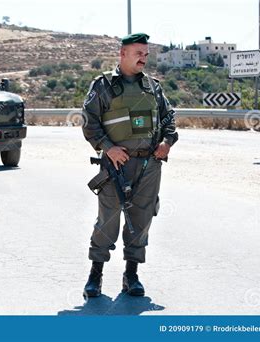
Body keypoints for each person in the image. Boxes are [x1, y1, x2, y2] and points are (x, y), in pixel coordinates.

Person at [82, 33, 178, 297]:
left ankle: (131, 275)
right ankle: (96, 275)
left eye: (146, 55)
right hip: (115, 166)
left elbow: (169, 119)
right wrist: (108, 147)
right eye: (138, 53)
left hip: (148, 165)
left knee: (142, 218)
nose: (143, 59)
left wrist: (167, 142)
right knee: (108, 220)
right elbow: (90, 123)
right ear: (123, 54)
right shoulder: (102, 85)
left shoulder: (153, 87)